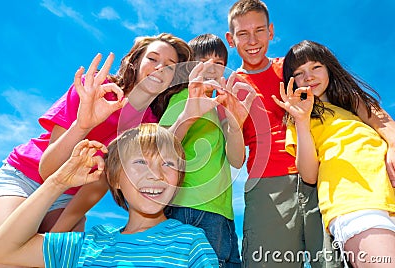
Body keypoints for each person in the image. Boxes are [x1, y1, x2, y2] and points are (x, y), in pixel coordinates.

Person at [0, 32, 192, 262]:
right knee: (3, 257)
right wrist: (82, 125)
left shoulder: (148, 125)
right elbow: (48, 170)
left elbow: (99, 184)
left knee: (48, 258)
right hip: (27, 176)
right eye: (153, 59)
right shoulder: (97, 88)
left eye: (169, 66)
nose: (159, 68)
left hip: (70, 196)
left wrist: (53, 243)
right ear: (136, 61)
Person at [225, 1, 395, 267]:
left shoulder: (295, 69)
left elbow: (363, 105)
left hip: (326, 179)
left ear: (271, 31)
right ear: (231, 39)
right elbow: (235, 159)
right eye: (243, 34)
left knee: (332, 262)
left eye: (259, 30)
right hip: (269, 187)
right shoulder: (231, 87)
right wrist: (234, 123)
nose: (253, 40)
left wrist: (392, 142)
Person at [0, 123, 219, 267]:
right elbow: (3, 252)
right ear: (115, 179)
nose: (156, 174)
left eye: (168, 163)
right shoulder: (87, 245)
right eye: (141, 162)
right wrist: (57, 182)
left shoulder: (190, 242)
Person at [273, 39, 395, 268]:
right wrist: (300, 120)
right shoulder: (299, 117)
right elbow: (309, 174)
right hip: (355, 200)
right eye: (299, 73)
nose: (309, 76)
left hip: (388, 185)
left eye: (316, 67)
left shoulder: (351, 101)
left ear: (329, 67)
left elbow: (384, 122)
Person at [160, 33, 255, 267]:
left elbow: (236, 160)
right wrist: (188, 116)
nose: (212, 68)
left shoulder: (221, 109)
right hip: (189, 207)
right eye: (204, 61)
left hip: (223, 212)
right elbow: (159, 149)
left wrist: (235, 122)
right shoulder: (182, 99)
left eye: (220, 63)